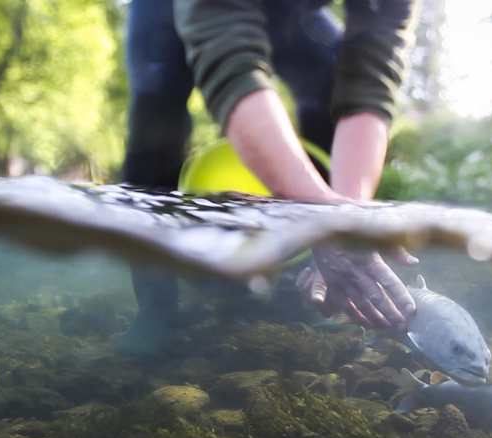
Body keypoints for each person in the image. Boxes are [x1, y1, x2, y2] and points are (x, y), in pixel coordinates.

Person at [117, 0, 420, 357]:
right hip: (170, 10)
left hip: (291, 12)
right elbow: (230, 60)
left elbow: (370, 77)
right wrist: (322, 217)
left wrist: (343, 223)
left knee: (328, 78)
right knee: (156, 118)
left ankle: (305, 290)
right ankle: (157, 309)